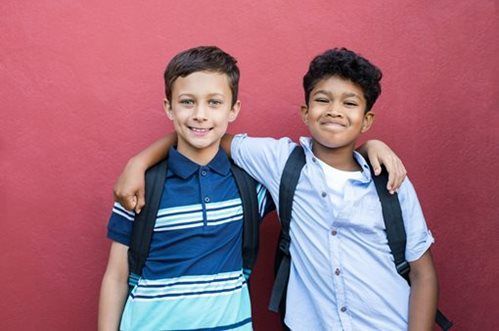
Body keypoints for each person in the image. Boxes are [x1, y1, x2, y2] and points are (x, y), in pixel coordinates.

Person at [112, 48, 432, 330]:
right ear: (305, 112)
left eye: (349, 103)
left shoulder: (391, 181)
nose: (334, 110)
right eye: (323, 100)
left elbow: (423, 274)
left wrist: (370, 147)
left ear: (366, 120)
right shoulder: (279, 163)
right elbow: (203, 134)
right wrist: (138, 163)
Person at [98, 46, 274, 331]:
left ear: (234, 109)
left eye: (214, 103)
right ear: (169, 107)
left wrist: (367, 148)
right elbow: (116, 276)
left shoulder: (250, 187)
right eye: (187, 102)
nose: (200, 115)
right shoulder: (141, 188)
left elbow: (317, 168)